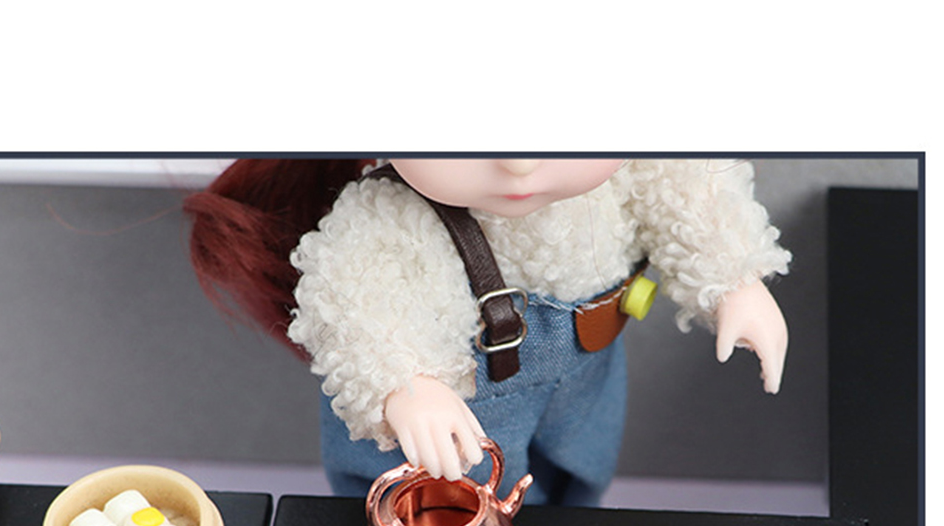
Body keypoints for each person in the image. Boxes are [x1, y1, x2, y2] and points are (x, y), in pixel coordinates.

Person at [186, 157, 790, 504]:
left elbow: (691, 191)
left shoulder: (634, 169)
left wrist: (735, 278)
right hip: (456, 420)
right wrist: (405, 384)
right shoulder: (392, 212)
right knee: (436, 514)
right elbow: (354, 292)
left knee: (579, 484)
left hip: (584, 391)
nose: (519, 161)